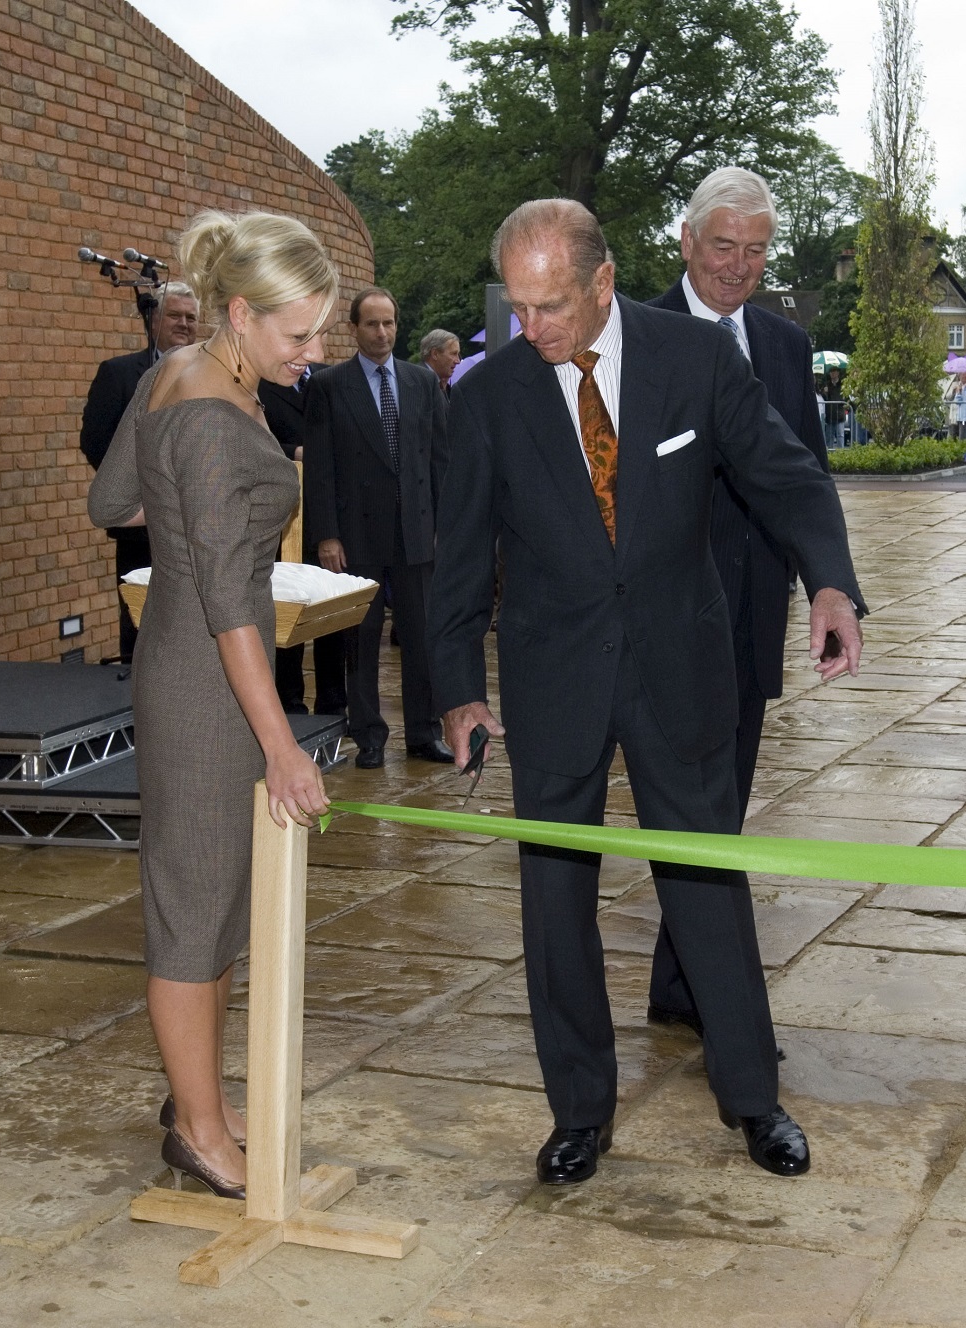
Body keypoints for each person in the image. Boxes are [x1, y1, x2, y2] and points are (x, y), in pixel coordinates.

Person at [429, 198, 865, 1185]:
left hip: (679, 666)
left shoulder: (696, 360)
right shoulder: (489, 392)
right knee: (553, 905)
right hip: (552, 678)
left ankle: (752, 1098)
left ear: (599, 282)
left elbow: (785, 475)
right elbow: (455, 559)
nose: (528, 326)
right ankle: (580, 1109)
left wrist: (829, 581)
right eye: (516, 304)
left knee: (706, 882)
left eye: (548, 306)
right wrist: (457, 687)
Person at [87, 210, 335, 1198]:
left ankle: (204, 1095)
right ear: (238, 312)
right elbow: (234, 600)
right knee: (193, 909)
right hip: (206, 682)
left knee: (222, 898)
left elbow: (111, 502)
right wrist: (282, 745)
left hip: (197, 662)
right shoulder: (208, 413)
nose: (313, 353)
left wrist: (188, 504)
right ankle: (195, 1128)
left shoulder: (185, 374)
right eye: (298, 335)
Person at [646, 164, 835, 1045]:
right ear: (687, 242)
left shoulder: (786, 346)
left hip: (754, 610)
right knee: (690, 798)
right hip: (667, 611)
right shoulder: (635, 336)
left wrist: (825, 578)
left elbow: (805, 478)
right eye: (724, 246)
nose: (738, 266)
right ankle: (709, 985)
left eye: (756, 252)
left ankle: (679, 979)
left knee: (722, 800)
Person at [304, 287, 452, 768]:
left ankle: (424, 734)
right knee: (360, 641)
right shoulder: (328, 386)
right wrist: (326, 534)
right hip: (355, 538)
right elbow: (320, 467)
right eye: (372, 324)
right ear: (354, 328)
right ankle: (368, 735)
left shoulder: (421, 383)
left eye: (389, 322)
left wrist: (442, 525)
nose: (383, 332)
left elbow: (439, 460)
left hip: (416, 532)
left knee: (422, 636)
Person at [80, 281, 199, 661]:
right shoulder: (118, 373)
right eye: (175, 316)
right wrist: (142, 490)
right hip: (141, 528)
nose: (184, 324)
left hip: (200, 526)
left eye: (191, 318)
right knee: (143, 627)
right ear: (153, 322)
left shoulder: (214, 374)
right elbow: (96, 440)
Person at [261, 367, 349, 717]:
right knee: (288, 611)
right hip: (284, 520)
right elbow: (249, 437)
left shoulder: (330, 380)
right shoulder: (261, 381)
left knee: (332, 613)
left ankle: (332, 703)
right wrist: (293, 452)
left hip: (333, 518)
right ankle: (289, 703)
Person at [420, 328, 462, 395]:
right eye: (453, 354)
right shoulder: (418, 382)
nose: (458, 361)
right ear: (435, 354)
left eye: (458, 354)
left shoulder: (444, 386)